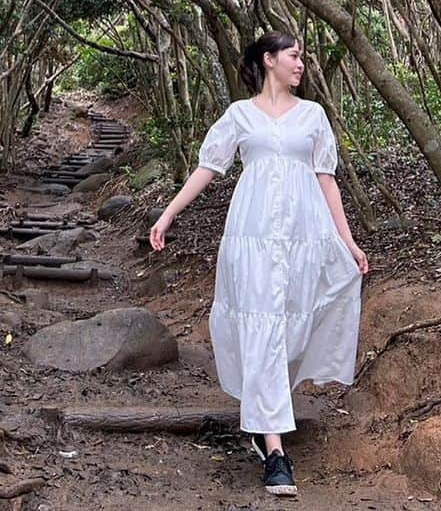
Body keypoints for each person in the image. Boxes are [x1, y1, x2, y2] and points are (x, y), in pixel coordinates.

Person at [150, 32, 367, 498]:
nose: (301, 64)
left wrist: (347, 242)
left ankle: (266, 413)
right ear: (269, 61)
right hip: (251, 239)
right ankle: (274, 451)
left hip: (303, 238)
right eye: (293, 55)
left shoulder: (313, 116)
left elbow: (326, 180)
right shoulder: (239, 115)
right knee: (263, 326)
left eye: (302, 57)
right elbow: (208, 168)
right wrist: (168, 214)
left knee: (291, 329)